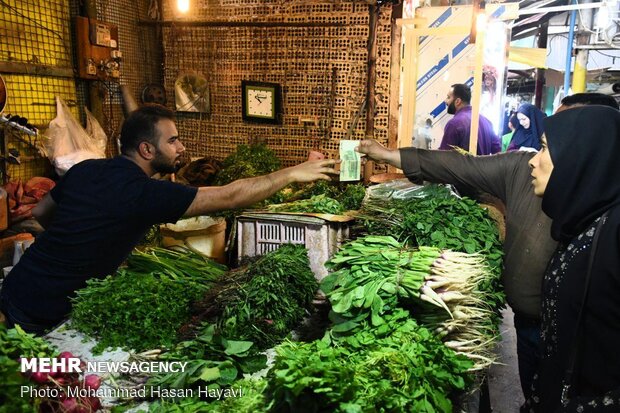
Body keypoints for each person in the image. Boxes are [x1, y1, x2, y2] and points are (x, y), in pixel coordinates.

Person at [356, 93, 620, 402]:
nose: (536, 156)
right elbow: (460, 166)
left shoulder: (609, 232)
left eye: (551, 144)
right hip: (535, 334)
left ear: (585, 150)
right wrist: (389, 155)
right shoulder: (543, 186)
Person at [0, 104, 337, 335]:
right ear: (147, 150)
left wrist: (80, 243)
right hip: (41, 311)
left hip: (19, 286)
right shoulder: (144, 195)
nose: (181, 147)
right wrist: (294, 172)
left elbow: (42, 213)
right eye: (173, 140)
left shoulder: (86, 169)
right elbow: (231, 195)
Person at [523, 105, 620, 412]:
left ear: (580, 156)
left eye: (544, 148)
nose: (533, 161)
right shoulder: (580, 224)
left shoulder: (616, 233)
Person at [439, 83, 500, 155]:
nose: (446, 101)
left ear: (457, 101)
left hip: (461, 166)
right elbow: (497, 151)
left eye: (448, 97)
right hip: (483, 166)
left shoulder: (454, 124)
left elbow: (444, 157)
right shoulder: (487, 122)